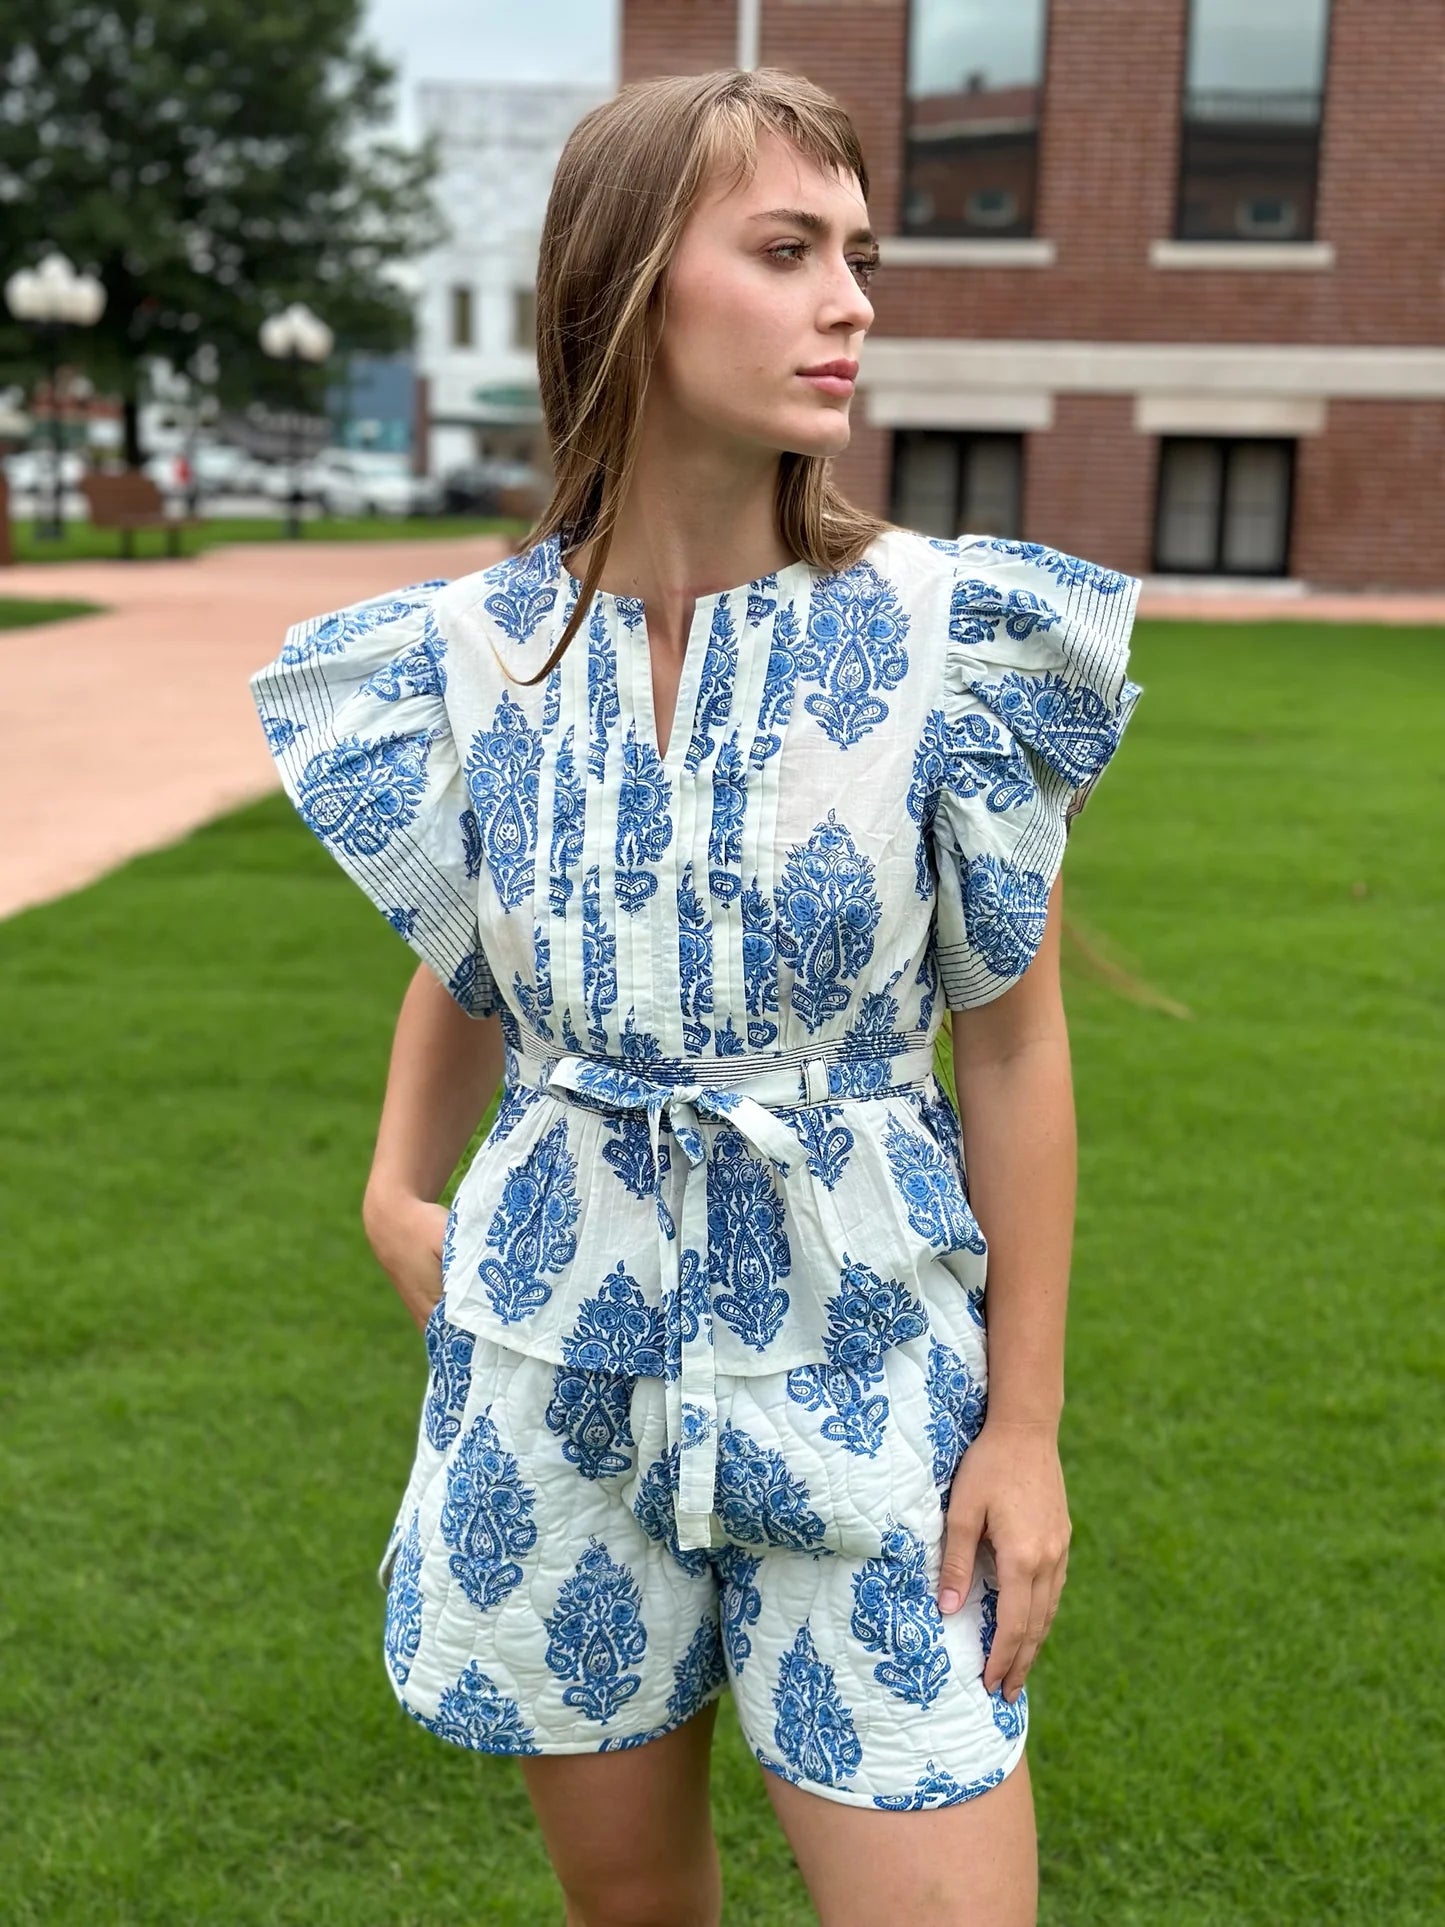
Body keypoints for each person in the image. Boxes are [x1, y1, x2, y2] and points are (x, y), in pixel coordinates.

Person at [248, 65, 1141, 1927]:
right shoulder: (469, 660)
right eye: (788, 251)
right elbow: (475, 955)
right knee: (634, 1910)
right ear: (630, 284)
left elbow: (1012, 1041)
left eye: (857, 256)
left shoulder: (946, 641)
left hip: (863, 1373)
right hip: (550, 1372)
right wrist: (393, 1187)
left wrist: (1024, 1428)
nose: (852, 304)